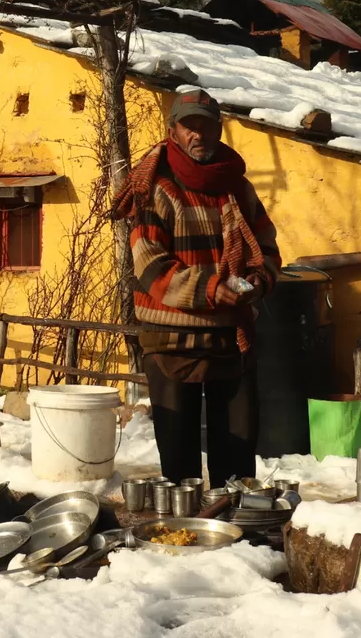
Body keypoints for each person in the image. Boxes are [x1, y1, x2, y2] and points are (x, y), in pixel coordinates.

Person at [110, 89, 280, 487]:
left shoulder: (237, 188)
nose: (198, 135)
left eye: (206, 126)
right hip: (171, 338)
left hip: (230, 334)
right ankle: (184, 535)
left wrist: (257, 280)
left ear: (220, 130)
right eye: (190, 127)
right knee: (180, 461)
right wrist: (209, 288)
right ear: (173, 131)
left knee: (237, 457)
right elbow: (151, 265)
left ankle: (237, 530)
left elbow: (267, 248)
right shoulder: (156, 188)